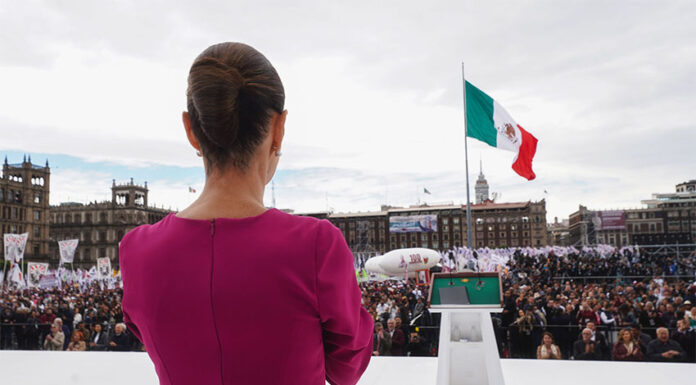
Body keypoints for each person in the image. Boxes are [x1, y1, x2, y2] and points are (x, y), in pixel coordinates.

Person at [119, 42, 372, 385]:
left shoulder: (137, 249)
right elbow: (346, 369)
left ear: (191, 130)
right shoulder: (316, 244)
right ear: (278, 129)